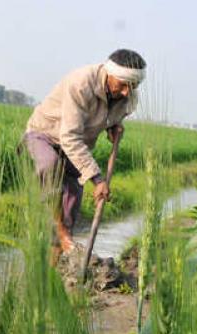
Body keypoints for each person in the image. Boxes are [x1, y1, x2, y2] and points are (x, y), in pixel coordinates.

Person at [20, 48, 146, 255]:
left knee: (70, 207)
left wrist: (113, 127)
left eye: (133, 86)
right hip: (45, 134)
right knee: (49, 165)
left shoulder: (128, 96)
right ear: (109, 73)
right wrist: (97, 180)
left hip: (78, 147)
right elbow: (69, 136)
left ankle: (53, 272)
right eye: (123, 85)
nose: (126, 92)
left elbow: (111, 116)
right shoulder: (81, 83)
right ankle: (59, 232)